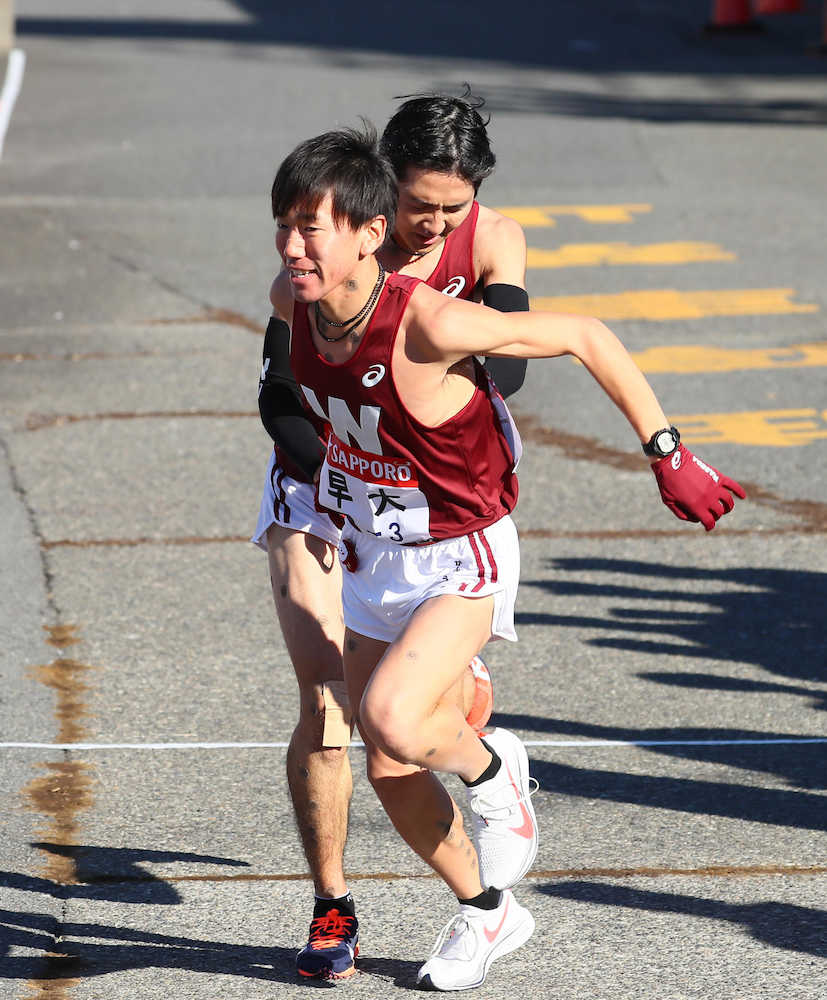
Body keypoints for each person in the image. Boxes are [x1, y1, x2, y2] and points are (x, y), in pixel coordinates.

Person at [265, 124, 744, 991]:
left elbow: (587, 334)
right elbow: (297, 404)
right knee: (385, 763)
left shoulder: (432, 322)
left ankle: (494, 777)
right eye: (286, 225)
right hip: (380, 549)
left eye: (314, 228)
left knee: (395, 721)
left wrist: (666, 450)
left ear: (369, 234)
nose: (295, 246)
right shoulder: (290, 303)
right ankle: (490, 914)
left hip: (462, 550)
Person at [253, 93, 532, 981]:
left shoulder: (482, 245)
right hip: (323, 468)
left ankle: (482, 902)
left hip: (418, 485)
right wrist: (339, 485)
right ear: (380, 200)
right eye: (420, 207)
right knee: (328, 693)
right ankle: (331, 902)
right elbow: (278, 401)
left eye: (452, 210)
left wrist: (435, 333)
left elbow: (514, 370)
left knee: (393, 731)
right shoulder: (322, 247)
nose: (434, 224)